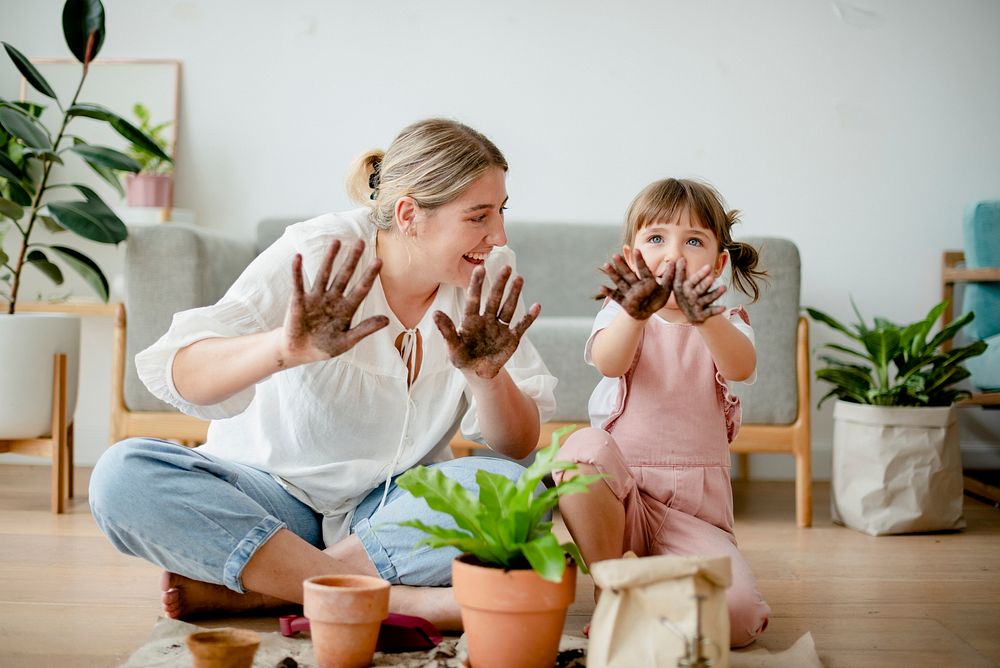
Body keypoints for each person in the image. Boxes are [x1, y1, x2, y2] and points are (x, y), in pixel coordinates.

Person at [88, 119, 556, 630]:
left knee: (518, 490)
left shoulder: (486, 275)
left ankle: (276, 589)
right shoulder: (320, 250)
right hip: (271, 501)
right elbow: (181, 369)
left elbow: (519, 443)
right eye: (479, 216)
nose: (499, 235)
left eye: (501, 211)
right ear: (409, 215)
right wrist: (283, 349)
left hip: (390, 510)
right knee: (122, 477)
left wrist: (488, 378)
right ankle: (399, 601)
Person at [553, 177, 771, 647]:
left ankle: (650, 598)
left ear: (717, 264)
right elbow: (610, 362)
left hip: (696, 519)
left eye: (692, 240)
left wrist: (704, 317)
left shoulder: (727, 325)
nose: (673, 254)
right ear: (633, 256)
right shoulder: (621, 315)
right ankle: (613, 585)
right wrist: (634, 312)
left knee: (737, 620)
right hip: (623, 502)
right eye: (656, 239)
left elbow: (741, 365)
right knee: (579, 451)